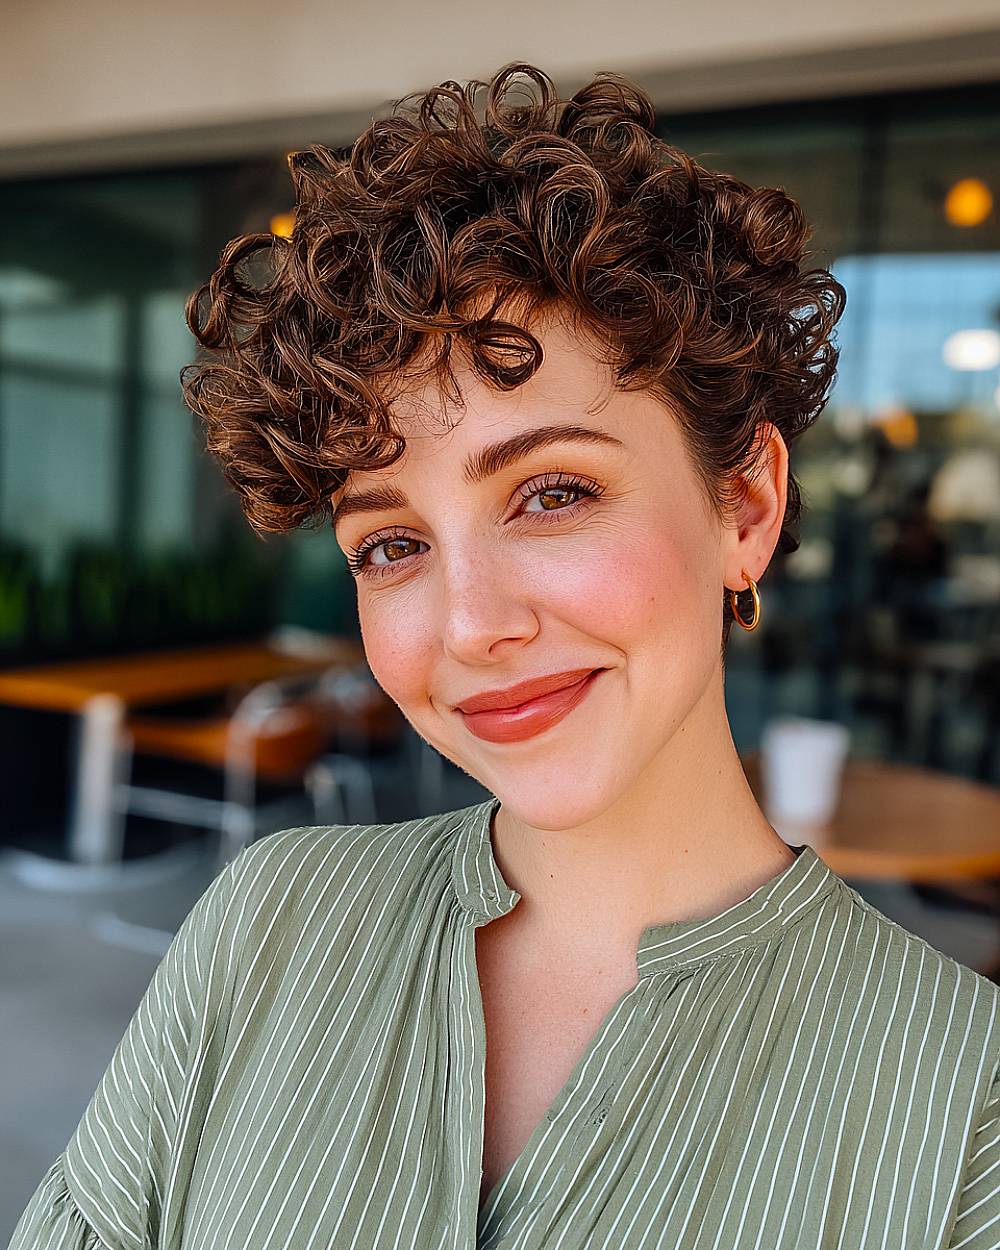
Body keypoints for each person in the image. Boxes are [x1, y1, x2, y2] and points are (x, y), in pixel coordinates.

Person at [10, 62, 1000, 1250]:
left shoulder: (963, 1108)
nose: (469, 624)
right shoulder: (263, 927)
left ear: (742, 504)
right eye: (388, 544)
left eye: (552, 491)